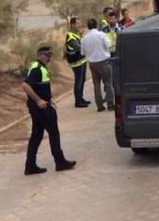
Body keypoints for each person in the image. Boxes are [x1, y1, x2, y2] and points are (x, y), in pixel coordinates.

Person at [21, 46, 76, 175]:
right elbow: (25, 85)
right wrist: (39, 100)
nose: (49, 58)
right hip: (41, 109)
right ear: (39, 55)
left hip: (40, 107)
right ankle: (60, 162)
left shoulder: (40, 67)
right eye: (46, 55)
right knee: (53, 134)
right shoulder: (37, 68)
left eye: (50, 55)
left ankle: (30, 166)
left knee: (36, 136)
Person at [82, 18, 115, 112]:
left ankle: (99, 106)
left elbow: (82, 52)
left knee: (96, 85)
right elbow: (109, 45)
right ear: (96, 25)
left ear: (88, 27)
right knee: (108, 83)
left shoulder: (84, 38)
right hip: (104, 61)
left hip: (92, 64)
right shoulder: (101, 35)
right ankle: (110, 104)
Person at [64, 17, 90, 108]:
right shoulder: (71, 37)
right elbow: (79, 47)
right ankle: (78, 101)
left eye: (79, 23)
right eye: (77, 24)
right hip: (77, 62)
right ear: (72, 25)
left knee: (82, 80)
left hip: (82, 60)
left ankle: (81, 98)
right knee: (78, 81)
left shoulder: (76, 34)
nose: (79, 25)